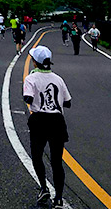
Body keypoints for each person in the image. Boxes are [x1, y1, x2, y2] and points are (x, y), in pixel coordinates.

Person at [23, 46, 71, 208]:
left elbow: (28, 98)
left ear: (35, 62)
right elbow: (67, 102)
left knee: (37, 156)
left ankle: (44, 187)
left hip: (39, 120)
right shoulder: (58, 79)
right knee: (57, 161)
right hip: (57, 121)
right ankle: (58, 197)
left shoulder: (31, 78)